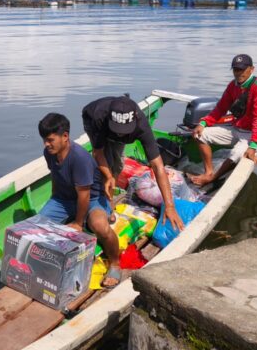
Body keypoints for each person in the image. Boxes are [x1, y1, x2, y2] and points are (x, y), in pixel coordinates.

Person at [37, 113, 122, 287]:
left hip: (92, 198)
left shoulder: (80, 158)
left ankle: (115, 263)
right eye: (44, 140)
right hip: (64, 198)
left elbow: (84, 194)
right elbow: (55, 175)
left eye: (50, 140)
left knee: (99, 227)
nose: (46, 144)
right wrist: (53, 199)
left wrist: (78, 222)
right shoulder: (49, 152)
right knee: (37, 227)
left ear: (65, 136)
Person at [81, 96, 184, 231]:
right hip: (94, 121)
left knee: (117, 165)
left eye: (123, 131)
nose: (119, 134)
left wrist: (169, 206)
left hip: (113, 126)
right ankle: (105, 204)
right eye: (117, 130)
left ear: (134, 119)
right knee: (105, 166)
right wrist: (108, 175)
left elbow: (158, 166)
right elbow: (97, 153)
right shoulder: (98, 117)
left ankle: (109, 195)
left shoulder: (142, 127)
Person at [189, 54, 257, 187]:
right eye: (236, 70)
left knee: (236, 153)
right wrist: (203, 123)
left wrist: (253, 146)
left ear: (251, 69)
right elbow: (220, 108)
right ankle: (208, 172)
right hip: (237, 129)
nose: (238, 73)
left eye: (242, 69)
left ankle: (213, 178)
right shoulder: (233, 85)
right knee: (199, 135)